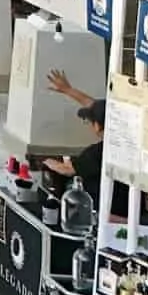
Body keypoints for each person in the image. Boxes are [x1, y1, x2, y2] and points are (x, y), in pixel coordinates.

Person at [37, 72, 108, 216]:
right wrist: (68, 90)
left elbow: (66, 169)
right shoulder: (123, 132)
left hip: (102, 210)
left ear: (97, 126)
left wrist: (45, 161)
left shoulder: (97, 153)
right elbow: (96, 106)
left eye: (89, 121)